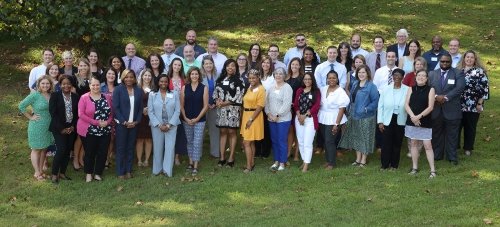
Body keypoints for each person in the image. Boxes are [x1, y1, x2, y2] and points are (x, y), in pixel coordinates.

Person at [339, 65, 379, 167]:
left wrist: (366, 109)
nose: (361, 74)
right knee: (356, 136)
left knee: (365, 137)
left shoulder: (371, 86)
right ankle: (357, 159)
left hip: (366, 116)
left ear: (367, 74)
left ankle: (363, 160)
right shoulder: (355, 83)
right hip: (354, 114)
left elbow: (375, 101)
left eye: (363, 72)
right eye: (359, 72)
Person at [429, 54, 465, 165]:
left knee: (452, 135)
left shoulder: (458, 73)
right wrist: (435, 97)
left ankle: (452, 157)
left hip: (452, 110)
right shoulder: (432, 74)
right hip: (436, 110)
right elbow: (428, 87)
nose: (444, 64)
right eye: (442, 61)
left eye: (447, 62)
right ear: (439, 62)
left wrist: (445, 97)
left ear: (451, 62)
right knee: (436, 134)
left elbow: (459, 88)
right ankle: (437, 155)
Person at [77, 76, 113, 182]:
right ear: (90, 86)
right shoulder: (84, 98)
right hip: (89, 130)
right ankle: (88, 173)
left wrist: (107, 122)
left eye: (97, 85)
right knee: (90, 152)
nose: (95, 87)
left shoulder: (107, 97)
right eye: (93, 85)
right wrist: (96, 123)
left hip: (105, 129)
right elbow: (81, 114)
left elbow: (112, 113)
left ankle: (98, 173)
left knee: (103, 152)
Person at [19, 75, 54, 181]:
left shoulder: (51, 95)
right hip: (37, 125)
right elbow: (21, 105)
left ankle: (41, 171)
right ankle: (37, 172)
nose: (45, 85)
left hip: (48, 126)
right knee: (36, 149)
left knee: (44, 149)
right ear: (39, 84)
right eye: (43, 83)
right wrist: (30, 116)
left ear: (50, 85)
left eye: (47, 83)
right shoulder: (35, 95)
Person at [404, 70, 437, 178]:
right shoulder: (411, 88)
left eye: (424, 76)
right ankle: (414, 167)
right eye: (419, 75)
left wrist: (419, 117)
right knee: (413, 144)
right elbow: (406, 105)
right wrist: (413, 117)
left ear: (427, 78)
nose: (421, 77)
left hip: (425, 121)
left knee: (428, 146)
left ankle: (433, 170)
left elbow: (430, 107)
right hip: (412, 120)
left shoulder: (430, 89)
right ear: (416, 77)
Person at [214, 59, 245, 167]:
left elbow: (238, 95)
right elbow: (215, 92)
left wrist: (225, 103)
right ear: (225, 67)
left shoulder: (239, 80)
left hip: (233, 110)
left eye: (232, 66)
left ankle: (231, 157)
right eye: (228, 66)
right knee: (223, 132)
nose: (230, 68)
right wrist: (217, 101)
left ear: (236, 68)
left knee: (232, 132)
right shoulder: (220, 79)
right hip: (221, 110)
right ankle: (222, 157)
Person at [457, 50, 489, 156]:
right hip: (458, 104)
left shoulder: (479, 72)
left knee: (470, 127)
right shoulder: (458, 70)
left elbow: (485, 89)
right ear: (464, 58)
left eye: (472, 57)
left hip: (473, 105)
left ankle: (468, 148)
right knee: (457, 126)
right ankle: (455, 146)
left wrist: (479, 103)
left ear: (475, 59)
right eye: (467, 57)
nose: (469, 59)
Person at [113, 69, 143, 179]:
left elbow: (140, 109)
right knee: (121, 148)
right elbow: (116, 108)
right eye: (126, 77)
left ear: (134, 78)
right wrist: (124, 122)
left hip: (134, 125)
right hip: (122, 124)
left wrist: (136, 121)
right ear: (123, 78)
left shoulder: (138, 90)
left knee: (130, 148)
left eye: (131, 77)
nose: (129, 79)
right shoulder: (118, 90)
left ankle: (129, 170)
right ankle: (121, 172)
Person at [148, 74, 181, 177]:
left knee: (170, 148)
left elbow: (177, 110)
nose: (163, 83)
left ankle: (167, 170)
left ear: (168, 83)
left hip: (171, 125)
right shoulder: (152, 94)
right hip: (157, 126)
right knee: (157, 148)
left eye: (165, 81)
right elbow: (150, 111)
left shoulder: (174, 94)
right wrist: (159, 125)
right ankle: (157, 170)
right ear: (158, 82)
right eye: (161, 81)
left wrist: (169, 125)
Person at [377, 69, 409, 170]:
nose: (397, 77)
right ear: (392, 76)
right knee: (386, 143)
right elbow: (380, 106)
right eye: (395, 75)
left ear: (403, 77)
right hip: (387, 119)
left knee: (397, 143)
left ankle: (394, 165)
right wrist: (380, 121)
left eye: (399, 75)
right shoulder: (385, 89)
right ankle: (384, 165)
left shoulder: (408, 90)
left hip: (400, 119)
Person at [49, 75, 78, 183]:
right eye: (64, 83)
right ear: (60, 85)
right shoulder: (55, 96)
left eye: (68, 83)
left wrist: (72, 126)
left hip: (71, 128)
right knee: (61, 149)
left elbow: (77, 114)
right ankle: (54, 174)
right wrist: (62, 129)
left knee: (67, 151)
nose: (66, 85)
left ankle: (62, 173)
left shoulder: (75, 97)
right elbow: (53, 113)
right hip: (58, 128)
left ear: (71, 85)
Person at [318, 71, 349, 170]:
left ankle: (331, 163)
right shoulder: (323, 89)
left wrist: (337, 124)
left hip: (334, 118)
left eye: (334, 78)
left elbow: (342, 109)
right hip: (323, 117)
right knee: (325, 141)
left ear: (337, 79)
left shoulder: (340, 91)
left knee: (329, 140)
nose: (331, 80)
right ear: (327, 79)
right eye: (329, 78)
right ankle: (328, 161)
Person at [181, 67, 208, 175]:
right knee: (190, 142)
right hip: (186, 119)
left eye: (196, 74)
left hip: (200, 120)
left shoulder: (204, 88)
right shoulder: (184, 88)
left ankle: (196, 165)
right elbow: (181, 105)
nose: (194, 76)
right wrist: (186, 118)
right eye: (192, 74)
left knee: (197, 142)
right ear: (189, 75)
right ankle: (190, 163)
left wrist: (197, 119)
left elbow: (206, 106)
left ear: (199, 75)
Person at [266, 67, 293, 171]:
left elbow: (287, 104)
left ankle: (282, 162)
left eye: (280, 74)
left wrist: (277, 115)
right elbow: (266, 102)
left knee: (281, 140)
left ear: (284, 76)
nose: (278, 75)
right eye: (276, 73)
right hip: (271, 119)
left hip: (283, 119)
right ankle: (276, 161)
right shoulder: (270, 88)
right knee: (274, 140)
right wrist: (268, 114)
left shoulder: (287, 87)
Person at [240, 69, 266, 173]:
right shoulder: (250, 87)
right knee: (251, 143)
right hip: (246, 115)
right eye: (250, 78)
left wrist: (251, 119)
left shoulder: (261, 89)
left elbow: (260, 107)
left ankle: (248, 166)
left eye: (253, 78)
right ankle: (251, 163)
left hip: (254, 117)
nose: (251, 80)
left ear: (258, 77)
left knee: (246, 142)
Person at [294, 73, 321, 172]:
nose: (307, 81)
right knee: (300, 142)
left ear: (312, 80)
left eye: (309, 79)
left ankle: (306, 165)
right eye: (305, 79)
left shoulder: (316, 91)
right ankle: (304, 161)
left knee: (307, 143)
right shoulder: (299, 90)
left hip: (310, 119)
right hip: (299, 118)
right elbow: (296, 105)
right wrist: (299, 116)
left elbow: (317, 106)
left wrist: (304, 116)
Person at [167, 58, 187, 165]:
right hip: (169, 110)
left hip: (181, 109)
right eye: (175, 65)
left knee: (179, 133)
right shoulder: (167, 78)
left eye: (179, 65)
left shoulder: (184, 79)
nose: (177, 67)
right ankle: (168, 155)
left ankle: (177, 156)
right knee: (170, 132)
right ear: (172, 66)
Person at [72, 58, 92, 171]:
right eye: (81, 66)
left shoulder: (92, 78)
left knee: (87, 135)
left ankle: (81, 158)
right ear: (78, 67)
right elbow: (74, 95)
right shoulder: (74, 78)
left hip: (91, 110)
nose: (83, 68)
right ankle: (75, 159)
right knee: (80, 135)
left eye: (85, 65)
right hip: (79, 110)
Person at [201, 56, 220, 159]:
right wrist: (206, 104)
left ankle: (215, 152)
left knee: (215, 130)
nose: (208, 65)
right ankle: (197, 153)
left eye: (210, 63)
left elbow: (221, 90)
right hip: (202, 106)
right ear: (203, 65)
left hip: (215, 106)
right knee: (201, 130)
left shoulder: (218, 75)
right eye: (206, 63)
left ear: (213, 64)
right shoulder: (199, 76)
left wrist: (215, 102)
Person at [254, 56, 274, 158]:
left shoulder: (273, 77)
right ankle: (257, 151)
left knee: (266, 130)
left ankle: (265, 151)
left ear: (270, 65)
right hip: (257, 107)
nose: (265, 64)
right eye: (264, 62)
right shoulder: (257, 76)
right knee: (257, 129)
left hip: (268, 107)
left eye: (268, 63)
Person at [99, 68, 118, 168]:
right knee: (103, 139)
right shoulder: (100, 87)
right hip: (102, 117)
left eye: (113, 74)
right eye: (109, 74)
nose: (111, 76)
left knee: (111, 139)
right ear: (106, 75)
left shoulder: (119, 87)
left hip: (115, 117)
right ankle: (100, 158)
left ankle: (107, 159)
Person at [286, 57, 304, 160]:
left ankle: (297, 154)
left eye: (296, 64)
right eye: (293, 64)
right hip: (287, 108)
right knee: (290, 130)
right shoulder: (287, 77)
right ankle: (289, 152)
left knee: (298, 131)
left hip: (298, 108)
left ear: (300, 66)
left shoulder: (302, 78)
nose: (294, 66)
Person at [136, 69, 154, 167]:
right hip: (139, 116)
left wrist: (149, 109)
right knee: (139, 139)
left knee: (148, 139)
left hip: (150, 117)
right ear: (142, 76)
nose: (147, 77)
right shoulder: (137, 88)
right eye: (145, 75)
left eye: (149, 76)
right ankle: (139, 160)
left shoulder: (154, 89)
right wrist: (142, 109)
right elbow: (134, 102)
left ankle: (146, 160)